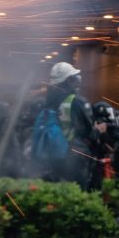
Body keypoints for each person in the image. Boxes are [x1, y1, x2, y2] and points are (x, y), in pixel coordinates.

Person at [38, 62, 97, 190]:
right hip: (73, 156)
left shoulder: (47, 101)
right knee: (77, 192)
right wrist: (99, 131)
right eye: (75, 78)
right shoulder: (75, 101)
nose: (78, 81)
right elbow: (88, 132)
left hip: (53, 155)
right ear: (69, 80)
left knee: (56, 191)